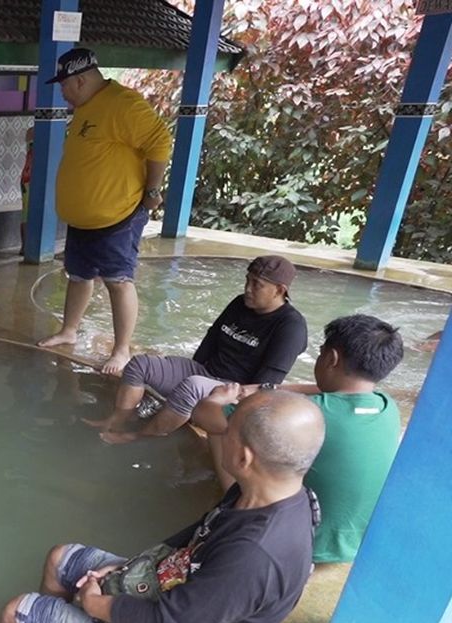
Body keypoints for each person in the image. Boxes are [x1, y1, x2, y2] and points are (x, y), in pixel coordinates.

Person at [0, 391, 325, 623]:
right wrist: (124, 567)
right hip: (170, 587)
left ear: (243, 457)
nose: (221, 432)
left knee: (19, 613)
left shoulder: (255, 556)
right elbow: (199, 532)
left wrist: (94, 605)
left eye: (229, 429)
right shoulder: (262, 492)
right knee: (61, 558)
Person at [193, 314, 403, 564]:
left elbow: (204, 415)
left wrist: (219, 398)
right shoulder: (387, 407)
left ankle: (233, 501)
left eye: (321, 351)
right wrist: (268, 388)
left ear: (331, 358)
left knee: (231, 430)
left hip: (305, 542)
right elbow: (324, 390)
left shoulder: (309, 414)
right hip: (355, 542)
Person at [35, 48, 173, 376]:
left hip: (117, 216)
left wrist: (152, 192)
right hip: (85, 219)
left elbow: (161, 142)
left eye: (64, 85)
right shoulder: (87, 106)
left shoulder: (123, 104)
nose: (62, 92)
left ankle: (121, 349)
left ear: (81, 80)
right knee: (79, 276)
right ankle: (69, 330)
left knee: (117, 281)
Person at [89, 255, 308, 445]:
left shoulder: (291, 327)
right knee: (139, 364)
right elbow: (211, 339)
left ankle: (140, 437)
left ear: (280, 290)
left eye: (257, 284)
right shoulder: (240, 303)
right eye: (247, 280)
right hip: (206, 372)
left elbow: (267, 385)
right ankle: (117, 421)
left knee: (193, 386)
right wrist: (187, 377)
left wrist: (224, 399)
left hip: (235, 391)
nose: (248, 289)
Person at [20, 124, 35, 248]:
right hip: (29, 178)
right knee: (26, 214)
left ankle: (26, 246)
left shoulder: (31, 131)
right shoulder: (32, 132)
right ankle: (25, 245)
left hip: (28, 177)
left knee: (26, 213)